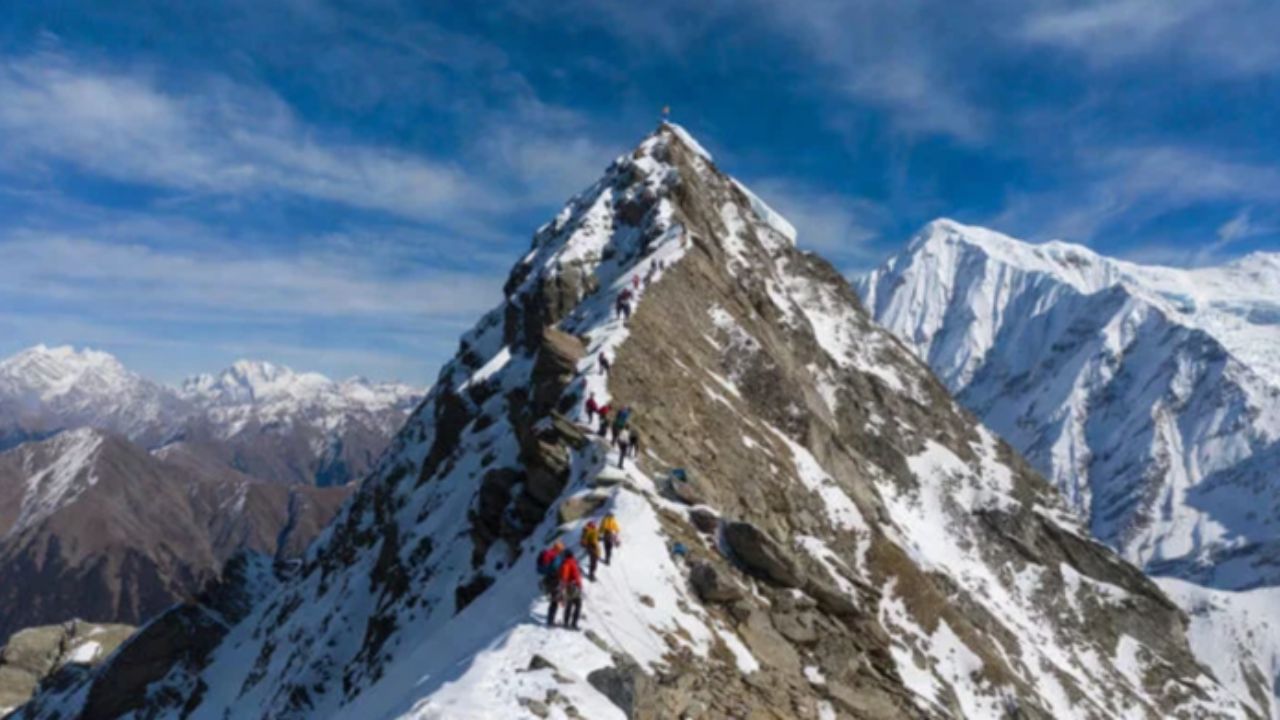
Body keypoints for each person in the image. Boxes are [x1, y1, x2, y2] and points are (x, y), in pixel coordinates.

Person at [538, 540, 567, 626]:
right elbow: (555, 568)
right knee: (554, 601)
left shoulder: (549, 553)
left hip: (548, 579)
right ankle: (550, 621)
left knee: (554, 598)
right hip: (553, 580)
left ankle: (551, 619)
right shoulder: (555, 556)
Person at [559, 551, 584, 629]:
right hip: (575, 586)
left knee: (570, 605)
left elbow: (564, 577)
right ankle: (573, 624)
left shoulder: (567, 563)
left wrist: (563, 587)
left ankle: (566, 623)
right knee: (577, 605)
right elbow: (577, 575)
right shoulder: (573, 563)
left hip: (571, 586)